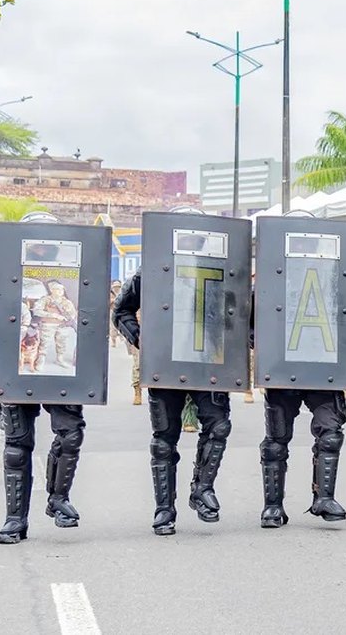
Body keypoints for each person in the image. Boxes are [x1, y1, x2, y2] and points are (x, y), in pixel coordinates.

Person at [112, 207, 235, 536]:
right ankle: (164, 509)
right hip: (165, 364)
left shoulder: (222, 266)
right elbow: (121, 309)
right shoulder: (149, 271)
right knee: (164, 440)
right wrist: (139, 339)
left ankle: (202, 489)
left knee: (219, 426)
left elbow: (239, 309)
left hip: (208, 360)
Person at [0, 211, 88, 544]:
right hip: (17, 360)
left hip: (60, 360)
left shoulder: (71, 267)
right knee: (16, 445)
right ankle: (14, 519)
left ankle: (58, 497)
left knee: (70, 434)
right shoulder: (8, 264)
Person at [253, 213, 346, 527]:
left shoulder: (335, 276)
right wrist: (262, 348)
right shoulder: (271, 277)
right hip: (283, 369)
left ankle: (324, 497)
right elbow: (249, 317)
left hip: (324, 367)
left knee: (330, 435)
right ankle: (273, 506)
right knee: (276, 441)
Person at [108, 280, 122, 347]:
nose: (116, 288)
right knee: (113, 327)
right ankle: (113, 341)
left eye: (118, 286)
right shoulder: (110, 294)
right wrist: (114, 300)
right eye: (115, 286)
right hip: (113, 311)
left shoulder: (123, 292)